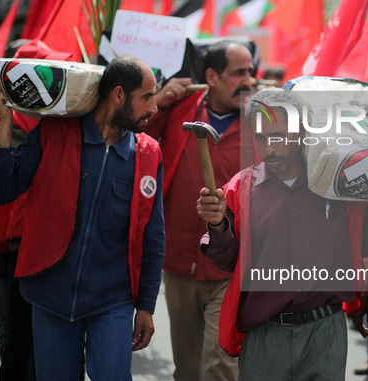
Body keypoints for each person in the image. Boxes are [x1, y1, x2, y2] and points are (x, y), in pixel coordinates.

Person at [196, 87, 368, 380]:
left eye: (279, 135)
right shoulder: (239, 188)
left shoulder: (336, 183)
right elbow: (228, 261)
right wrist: (218, 225)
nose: (269, 147)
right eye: (260, 137)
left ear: (300, 130)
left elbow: (364, 243)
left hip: (325, 331)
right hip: (265, 333)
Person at [0, 55, 165, 380]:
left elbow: (152, 237)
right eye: (147, 97)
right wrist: (5, 125)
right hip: (49, 296)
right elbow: (0, 193)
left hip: (113, 301)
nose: (154, 108)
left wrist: (147, 307)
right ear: (119, 95)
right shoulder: (54, 132)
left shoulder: (148, 154)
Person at [145, 40, 259, 381]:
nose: (249, 80)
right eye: (239, 73)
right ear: (210, 76)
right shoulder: (179, 108)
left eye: (251, 71)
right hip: (179, 263)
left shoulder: (264, 121)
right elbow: (138, 145)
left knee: (220, 367)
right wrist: (160, 101)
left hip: (232, 267)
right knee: (188, 370)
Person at [0, 40, 72, 380]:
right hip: (0, 247)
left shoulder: (64, 120)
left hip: (49, 247)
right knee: (11, 339)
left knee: (49, 342)